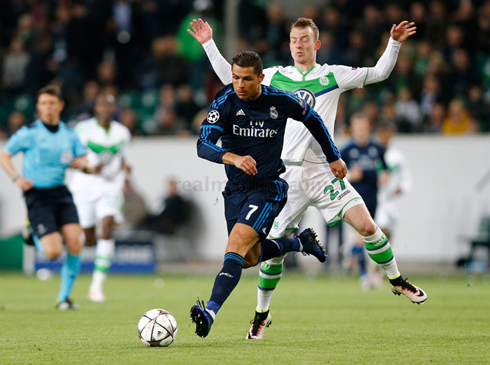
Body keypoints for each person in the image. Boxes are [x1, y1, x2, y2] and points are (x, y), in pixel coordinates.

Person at [188, 17, 427, 339]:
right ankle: (261, 314)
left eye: (304, 40)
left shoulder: (334, 74)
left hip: (323, 170)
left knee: (369, 226)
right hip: (285, 171)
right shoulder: (273, 77)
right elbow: (231, 80)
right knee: (262, 254)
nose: (298, 45)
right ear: (288, 45)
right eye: (293, 40)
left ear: (316, 44)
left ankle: (397, 280)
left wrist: (394, 43)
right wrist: (208, 43)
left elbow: (380, 73)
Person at [190, 51, 347, 338]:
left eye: (247, 78)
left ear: (260, 78)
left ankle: (210, 311)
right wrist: (232, 157)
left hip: (268, 188)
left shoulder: (279, 99)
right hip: (235, 189)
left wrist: (333, 156)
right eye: (235, 77)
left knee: (235, 246)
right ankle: (298, 243)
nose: (239, 84)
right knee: (248, 258)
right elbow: (203, 144)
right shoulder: (225, 101)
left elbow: (313, 119)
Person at [0, 85, 97, 310]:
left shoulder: (69, 135)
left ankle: (64, 299)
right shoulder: (30, 133)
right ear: (38, 107)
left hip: (61, 193)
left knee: (75, 242)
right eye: (44, 103)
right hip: (37, 195)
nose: (48, 107)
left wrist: (86, 167)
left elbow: (83, 162)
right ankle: (31, 230)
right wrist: (17, 178)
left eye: (52, 103)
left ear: (60, 106)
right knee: (52, 253)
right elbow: (5, 155)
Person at [69, 93, 131, 302]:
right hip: (84, 186)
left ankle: (96, 286)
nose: (105, 108)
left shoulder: (123, 133)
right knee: (88, 238)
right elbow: (71, 158)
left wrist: (125, 171)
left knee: (107, 224)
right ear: (95, 108)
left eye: (109, 105)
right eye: (102, 104)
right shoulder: (82, 129)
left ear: (114, 109)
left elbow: (121, 158)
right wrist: (88, 168)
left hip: (110, 186)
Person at [341, 113, 389, 290]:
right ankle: (364, 275)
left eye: (364, 126)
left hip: (372, 198)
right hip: (353, 199)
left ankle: (352, 254)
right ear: (352, 129)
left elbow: (384, 168)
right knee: (362, 237)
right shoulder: (346, 150)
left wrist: (384, 176)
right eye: (357, 127)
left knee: (368, 238)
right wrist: (351, 176)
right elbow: (336, 174)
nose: (361, 130)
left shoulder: (377, 147)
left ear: (369, 128)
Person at [375, 121, 412, 243]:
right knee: (377, 228)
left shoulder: (397, 156)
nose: (384, 138)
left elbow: (406, 175)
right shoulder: (372, 153)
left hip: (390, 198)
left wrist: (403, 187)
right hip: (374, 196)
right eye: (382, 135)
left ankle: (384, 257)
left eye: (387, 135)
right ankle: (378, 258)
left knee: (389, 228)